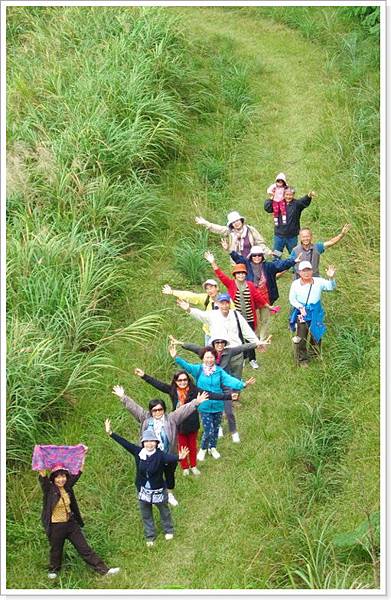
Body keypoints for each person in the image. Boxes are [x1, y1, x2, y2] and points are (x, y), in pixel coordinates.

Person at [112, 385, 208, 506]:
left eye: (160, 409)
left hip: (168, 454)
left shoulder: (171, 419)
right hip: (151, 456)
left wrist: (196, 402)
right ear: (150, 411)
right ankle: (151, 495)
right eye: (154, 410)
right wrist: (123, 397)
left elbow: (184, 410)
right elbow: (134, 408)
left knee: (169, 476)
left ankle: (169, 494)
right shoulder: (145, 418)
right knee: (152, 475)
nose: (157, 412)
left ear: (164, 409)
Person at [105, 421, 189, 546]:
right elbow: (125, 443)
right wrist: (111, 433)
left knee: (164, 510)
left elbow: (170, 458)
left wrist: (180, 457)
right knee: (146, 513)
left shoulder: (160, 455)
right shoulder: (138, 452)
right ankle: (150, 536)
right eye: (147, 441)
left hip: (158, 490)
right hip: (143, 490)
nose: (149, 443)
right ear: (143, 442)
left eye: (152, 441)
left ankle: (168, 530)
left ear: (156, 442)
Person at [169, 332, 263, 443]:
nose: (220, 344)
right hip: (206, 395)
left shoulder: (224, 360)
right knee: (208, 418)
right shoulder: (200, 367)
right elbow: (189, 362)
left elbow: (230, 377)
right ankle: (213, 437)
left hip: (222, 388)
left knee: (228, 411)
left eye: (222, 342)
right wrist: (176, 355)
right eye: (217, 342)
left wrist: (242, 384)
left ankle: (232, 432)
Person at [133, 367, 229, 475]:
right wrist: (144, 376)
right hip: (178, 425)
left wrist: (229, 396)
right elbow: (158, 384)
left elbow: (211, 394)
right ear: (175, 381)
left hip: (192, 423)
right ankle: (185, 467)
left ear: (188, 380)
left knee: (192, 446)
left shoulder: (195, 391)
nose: (183, 382)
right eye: (180, 380)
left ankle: (193, 466)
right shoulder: (172, 391)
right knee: (182, 447)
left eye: (185, 380)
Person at [38, 461, 120, 579]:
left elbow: (78, 473)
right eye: (58, 477)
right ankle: (54, 571)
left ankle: (104, 570)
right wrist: (40, 458)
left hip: (71, 524)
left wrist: (83, 455)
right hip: (56, 526)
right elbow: (43, 475)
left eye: (63, 476)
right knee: (56, 550)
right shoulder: (49, 489)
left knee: (84, 548)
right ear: (53, 478)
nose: (61, 480)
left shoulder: (67, 487)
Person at [223, 241, 302, 340]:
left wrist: (294, 261)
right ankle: (253, 337)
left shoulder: (268, 266)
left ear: (262, 256)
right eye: (254, 255)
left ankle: (262, 339)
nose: (257, 257)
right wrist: (229, 249)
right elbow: (237, 258)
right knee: (252, 319)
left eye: (259, 255)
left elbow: (281, 265)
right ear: (251, 256)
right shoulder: (246, 264)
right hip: (251, 297)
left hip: (265, 297)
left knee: (265, 320)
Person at [176, 292, 265, 380]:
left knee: (236, 380)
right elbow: (200, 315)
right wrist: (188, 309)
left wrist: (257, 342)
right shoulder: (212, 315)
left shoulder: (235, 314)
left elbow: (247, 330)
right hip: (220, 355)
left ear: (230, 304)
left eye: (227, 303)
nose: (225, 306)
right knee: (221, 379)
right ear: (218, 304)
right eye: (222, 303)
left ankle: (236, 393)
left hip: (236, 353)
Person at [204, 251, 268, 369]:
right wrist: (213, 262)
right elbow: (220, 275)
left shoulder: (250, 285)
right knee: (238, 338)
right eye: (238, 274)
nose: (240, 276)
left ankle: (252, 359)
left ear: (245, 275)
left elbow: (258, 297)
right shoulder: (231, 284)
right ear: (235, 275)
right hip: (236, 317)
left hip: (249, 316)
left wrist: (268, 306)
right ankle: (242, 358)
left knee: (250, 336)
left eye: (242, 274)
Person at [289, 260, 336, 367]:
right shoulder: (295, 284)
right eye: (304, 271)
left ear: (312, 271)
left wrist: (331, 277)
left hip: (316, 311)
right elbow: (292, 299)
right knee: (301, 336)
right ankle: (302, 359)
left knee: (317, 333)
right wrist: (300, 307)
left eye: (308, 270)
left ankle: (314, 354)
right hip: (302, 313)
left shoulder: (318, 281)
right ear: (299, 272)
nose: (306, 273)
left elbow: (331, 287)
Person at [162, 279, 234, 345]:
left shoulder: (226, 300)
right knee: (209, 356)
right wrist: (172, 292)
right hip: (209, 334)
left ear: (217, 288)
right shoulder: (206, 298)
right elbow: (190, 296)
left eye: (211, 287)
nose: (209, 291)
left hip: (225, 333)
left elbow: (234, 315)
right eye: (207, 289)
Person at [195, 210, 271, 258]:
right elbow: (217, 228)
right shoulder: (230, 232)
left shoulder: (250, 230)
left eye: (237, 220)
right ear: (231, 224)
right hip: (237, 262)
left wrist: (268, 252)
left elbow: (260, 243)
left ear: (241, 221)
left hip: (252, 259)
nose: (236, 223)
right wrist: (206, 223)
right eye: (234, 222)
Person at [264, 187, 315, 256]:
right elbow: (268, 208)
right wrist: (272, 197)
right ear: (283, 195)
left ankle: (295, 267)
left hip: (292, 237)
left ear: (293, 195)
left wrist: (309, 196)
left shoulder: (297, 204)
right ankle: (277, 266)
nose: (288, 197)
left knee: (294, 255)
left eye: (290, 195)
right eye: (287, 194)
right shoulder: (278, 203)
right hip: (279, 236)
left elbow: (304, 201)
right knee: (277, 255)